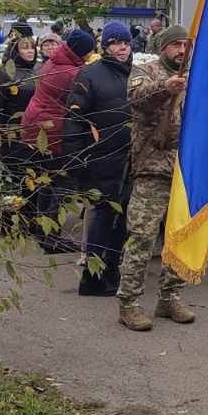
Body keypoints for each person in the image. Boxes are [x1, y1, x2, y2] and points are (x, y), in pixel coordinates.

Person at [115, 25, 197, 330]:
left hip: (185, 171)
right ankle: (129, 303)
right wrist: (166, 88)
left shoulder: (196, 76)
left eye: (185, 45)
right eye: (175, 45)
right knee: (142, 237)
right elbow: (137, 99)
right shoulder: (145, 71)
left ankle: (170, 296)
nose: (181, 51)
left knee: (180, 237)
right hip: (152, 168)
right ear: (163, 47)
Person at [70, 21, 135, 295]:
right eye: (116, 43)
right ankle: (92, 278)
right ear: (105, 46)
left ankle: (111, 270)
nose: (122, 48)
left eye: (126, 42)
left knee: (122, 218)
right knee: (101, 217)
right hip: (99, 159)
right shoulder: (90, 75)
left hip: (128, 158)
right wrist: (79, 159)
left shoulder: (134, 74)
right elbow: (73, 120)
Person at [20, 27, 95, 253]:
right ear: (81, 51)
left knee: (45, 180)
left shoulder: (55, 61)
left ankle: (42, 231)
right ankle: (51, 239)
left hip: (36, 125)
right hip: (51, 130)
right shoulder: (70, 73)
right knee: (60, 184)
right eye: (89, 51)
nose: (91, 55)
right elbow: (86, 100)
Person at [0, 30, 41, 237]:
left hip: (34, 133)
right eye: (25, 47)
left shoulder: (38, 71)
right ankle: (8, 223)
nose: (30, 51)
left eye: (32, 47)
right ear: (15, 51)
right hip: (12, 133)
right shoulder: (3, 74)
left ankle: (28, 222)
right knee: (11, 179)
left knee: (32, 179)